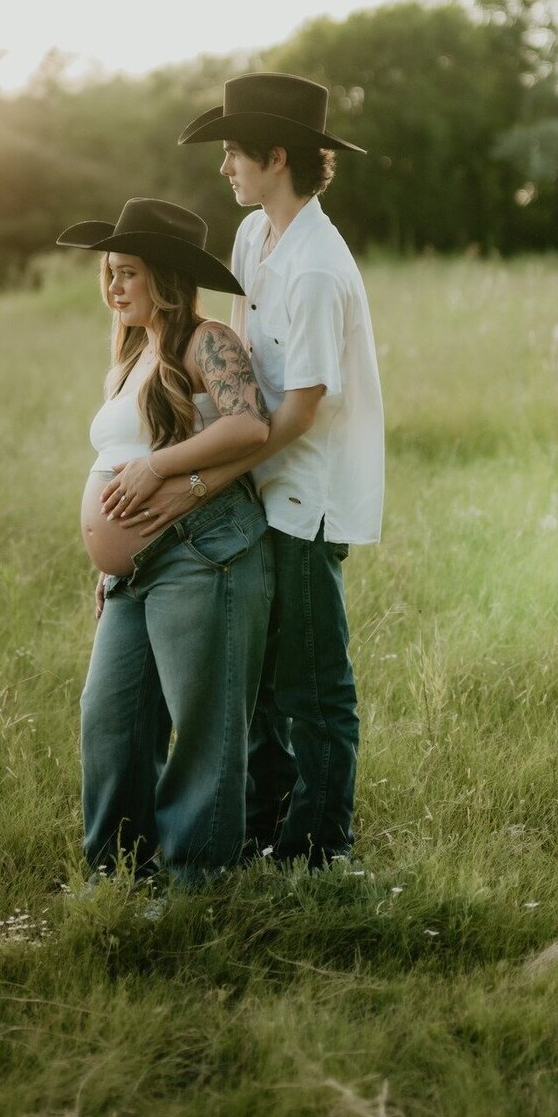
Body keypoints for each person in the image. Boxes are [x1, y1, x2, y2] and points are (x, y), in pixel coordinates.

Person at [103, 76, 384, 868]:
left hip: (306, 493)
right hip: (256, 483)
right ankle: (262, 825)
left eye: (233, 152)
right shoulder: (255, 239)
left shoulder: (319, 268)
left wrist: (199, 480)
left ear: (277, 157)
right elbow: (233, 368)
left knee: (314, 689)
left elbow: (295, 412)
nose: (225, 166)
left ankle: (320, 849)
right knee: (256, 684)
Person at [57, 196, 274, 883]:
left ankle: (195, 885)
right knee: (109, 720)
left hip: (202, 551)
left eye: (129, 273)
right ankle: (118, 873)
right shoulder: (130, 354)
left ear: (167, 277)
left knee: (202, 730)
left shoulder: (206, 340)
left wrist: (156, 467)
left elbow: (250, 428)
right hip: (133, 569)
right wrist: (108, 558)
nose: (114, 287)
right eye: (110, 273)